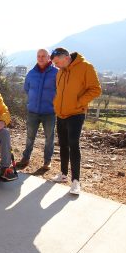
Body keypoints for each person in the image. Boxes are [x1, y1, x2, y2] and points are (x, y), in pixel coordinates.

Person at [49, 47, 101, 195]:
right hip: (61, 113)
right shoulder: (60, 71)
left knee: (73, 145)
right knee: (63, 144)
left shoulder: (86, 67)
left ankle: (76, 182)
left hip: (76, 113)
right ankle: (63, 174)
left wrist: (79, 102)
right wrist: (56, 103)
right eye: (55, 63)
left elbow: (96, 89)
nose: (57, 65)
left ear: (66, 57)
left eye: (58, 62)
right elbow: (60, 91)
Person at [16, 49, 58, 172]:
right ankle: (25, 158)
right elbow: (27, 89)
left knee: (49, 138)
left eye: (43, 56)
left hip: (49, 112)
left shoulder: (56, 73)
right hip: (33, 111)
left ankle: (47, 161)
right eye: (38, 56)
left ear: (49, 57)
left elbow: (60, 91)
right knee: (30, 137)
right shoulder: (31, 73)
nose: (40, 58)